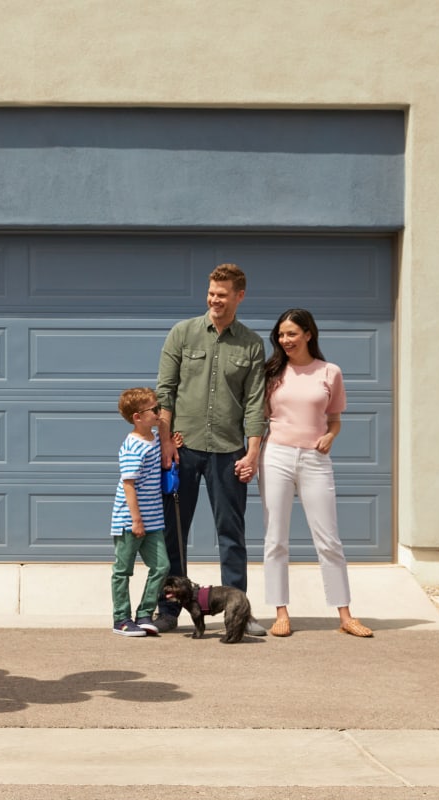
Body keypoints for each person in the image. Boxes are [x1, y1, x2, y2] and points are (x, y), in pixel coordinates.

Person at [155, 263, 267, 636]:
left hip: (229, 451)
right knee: (175, 531)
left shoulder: (251, 343)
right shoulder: (182, 334)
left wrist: (251, 454)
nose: (215, 300)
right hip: (183, 451)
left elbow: (254, 403)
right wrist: (167, 441)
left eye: (222, 294)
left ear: (239, 296)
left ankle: (240, 613)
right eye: (211, 293)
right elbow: (165, 391)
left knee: (231, 533)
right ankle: (170, 608)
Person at [258, 309, 372, 638]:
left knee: (329, 540)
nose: (285, 340)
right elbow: (259, 416)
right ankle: (280, 611)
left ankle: (345, 614)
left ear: (309, 334)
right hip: (276, 455)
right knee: (275, 538)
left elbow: (334, 418)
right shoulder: (271, 373)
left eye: (292, 333)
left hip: (315, 459)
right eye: (281, 335)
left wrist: (331, 435)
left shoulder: (330, 372)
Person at [108, 387, 171, 637]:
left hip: (154, 519)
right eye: (154, 410)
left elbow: (161, 440)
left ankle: (144, 613)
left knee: (162, 566)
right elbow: (128, 484)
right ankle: (121, 618)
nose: (158, 413)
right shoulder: (133, 446)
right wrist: (136, 520)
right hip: (130, 520)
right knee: (123, 570)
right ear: (137, 417)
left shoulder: (153, 438)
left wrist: (170, 441)